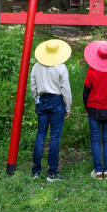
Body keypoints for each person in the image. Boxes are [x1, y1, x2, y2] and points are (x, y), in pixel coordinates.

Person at [30, 39, 72, 182]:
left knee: (40, 136)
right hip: (56, 102)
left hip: (42, 101)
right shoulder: (61, 67)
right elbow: (65, 89)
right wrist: (68, 106)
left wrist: (36, 99)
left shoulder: (36, 66)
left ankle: (36, 171)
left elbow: (33, 86)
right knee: (55, 137)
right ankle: (52, 173)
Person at [83, 40, 107, 180]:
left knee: (95, 141)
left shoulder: (91, 71)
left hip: (93, 108)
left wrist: (87, 106)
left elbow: (85, 92)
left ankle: (98, 171)